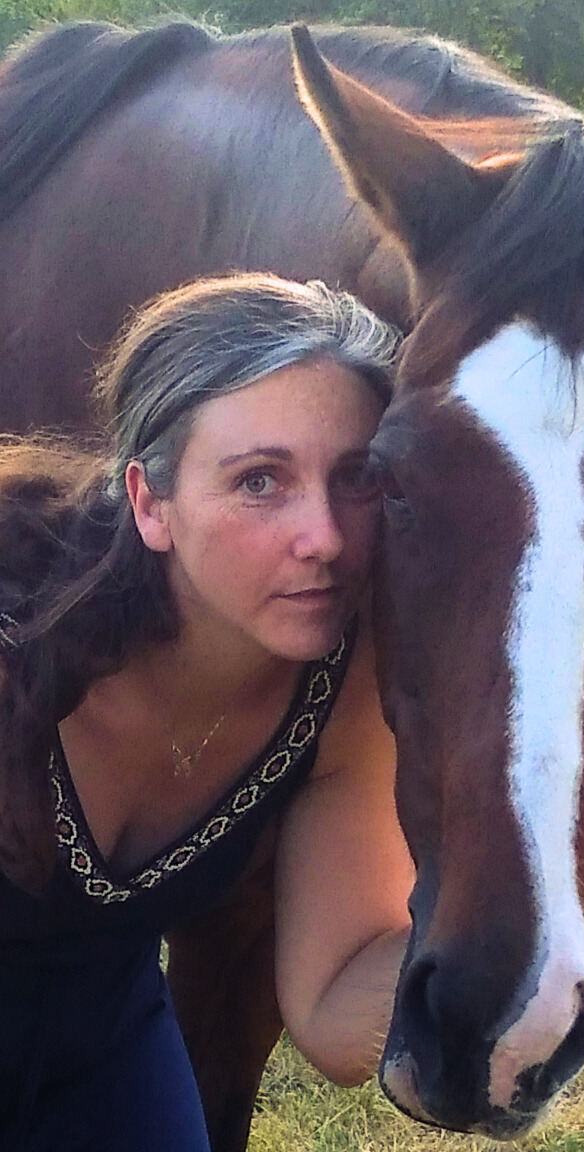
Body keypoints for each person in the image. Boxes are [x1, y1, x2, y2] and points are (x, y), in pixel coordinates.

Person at [0, 274, 414, 1150]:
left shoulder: (344, 686)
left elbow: (337, 1011)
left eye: (356, 477)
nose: (326, 537)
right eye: (261, 481)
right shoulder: (14, 632)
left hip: (107, 1057)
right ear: (151, 503)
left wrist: (522, 900)